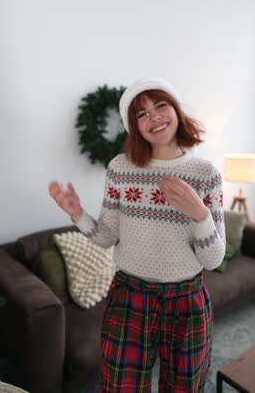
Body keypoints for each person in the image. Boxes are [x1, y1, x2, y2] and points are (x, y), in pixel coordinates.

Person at [49, 77, 225, 393]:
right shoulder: (121, 168)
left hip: (187, 299)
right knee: (120, 387)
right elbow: (106, 237)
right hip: (130, 296)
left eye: (160, 105)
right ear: (134, 126)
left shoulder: (205, 174)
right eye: (141, 113)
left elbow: (213, 260)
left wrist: (200, 215)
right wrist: (76, 212)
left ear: (176, 109)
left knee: (186, 387)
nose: (153, 117)